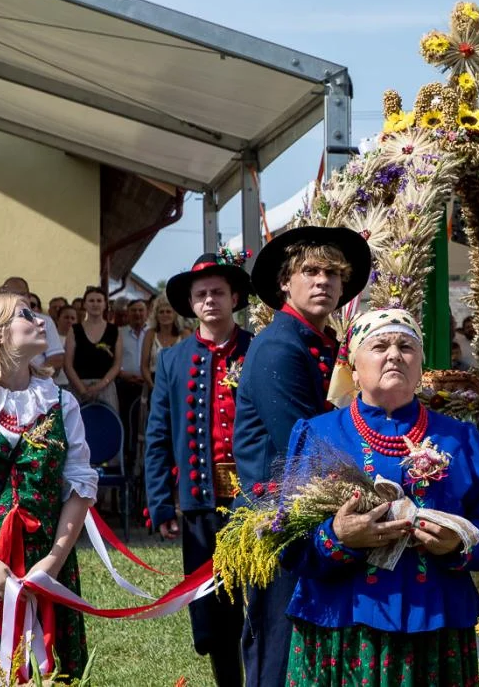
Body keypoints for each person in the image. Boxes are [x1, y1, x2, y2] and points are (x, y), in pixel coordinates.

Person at [281, 308, 479, 686]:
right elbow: (286, 541)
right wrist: (337, 537)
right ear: (354, 368)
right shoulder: (318, 434)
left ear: (420, 366)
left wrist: (458, 544)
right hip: (343, 623)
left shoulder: (458, 437)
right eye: (380, 345)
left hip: (435, 627)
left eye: (406, 346)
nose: (394, 354)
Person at [234, 226, 371, 687]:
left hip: (313, 519)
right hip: (280, 528)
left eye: (333, 273)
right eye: (310, 271)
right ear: (284, 283)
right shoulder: (280, 346)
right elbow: (306, 444)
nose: (323, 281)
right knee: (280, 654)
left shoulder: (322, 344)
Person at [0, 294, 97, 679]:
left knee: (47, 670)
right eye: (25, 315)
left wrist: (53, 564)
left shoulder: (61, 402)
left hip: (45, 560)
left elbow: (79, 487)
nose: (40, 320)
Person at [144, 251, 253, 687]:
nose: (210, 301)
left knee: (259, 602)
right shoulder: (173, 359)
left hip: (254, 499)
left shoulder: (258, 349)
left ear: (234, 297)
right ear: (191, 304)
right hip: (200, 499)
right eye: (201, 294)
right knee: (211, 609)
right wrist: (161, 505)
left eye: (218, 292)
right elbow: (156, 436)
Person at [64, 286, 121, 412]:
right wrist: (82, 390)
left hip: (106, 387)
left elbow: (117, 364)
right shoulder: (74, 330)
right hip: (78, 386)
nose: (95, 304)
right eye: (91, 301)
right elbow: (67, 364)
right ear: (84, 304)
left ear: (105, 304)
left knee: (106, 427)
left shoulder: (114, 331)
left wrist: (99, 386)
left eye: (99, 301)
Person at [0, 277, 64, 373]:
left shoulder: (45, 321)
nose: (17, 298)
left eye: (21, 294)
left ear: (28, 296)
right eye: (11, 294)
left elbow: (56, 358)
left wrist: (35, 376)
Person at [116, 299, 148, 467]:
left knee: (144, 425)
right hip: (125, 384)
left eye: (141, 310)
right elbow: (114, 359)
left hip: (147, 385)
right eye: (134, 310)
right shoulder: (119, 333)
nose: (137, 314)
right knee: (126, 424)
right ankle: (128, 457)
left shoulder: (151, 333)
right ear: (127, 314)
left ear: (147, 313)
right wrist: (123, 374)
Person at [140, 292, 189, 390]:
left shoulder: (184, 334)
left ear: (175, 314)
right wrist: (152, 386)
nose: (164, 315)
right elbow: (144, 366)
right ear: (156, 315)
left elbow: (189, 364)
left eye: (168, 311)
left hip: (179, 385)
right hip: (154, 383)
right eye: (161, 312)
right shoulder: (150, 334)